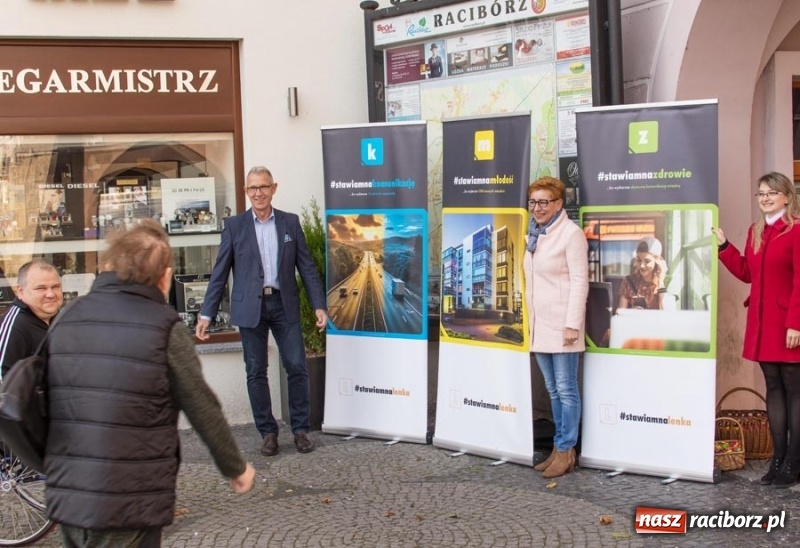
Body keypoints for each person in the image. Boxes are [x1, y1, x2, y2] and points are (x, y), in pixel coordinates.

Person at [44, 219, 255, 547]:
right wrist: (235, 467)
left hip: (70, 495)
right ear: (165, 276)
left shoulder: (69, 314)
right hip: (130, 500)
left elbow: (43, 394)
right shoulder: (164, 328)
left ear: (113, 265)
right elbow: (202, 406)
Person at [196, 166, 327, 457]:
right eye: (252, 188)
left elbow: (306, 266)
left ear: (273, 188)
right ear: (246, 192)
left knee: (296, 366)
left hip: (284, 303)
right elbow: (219, 274)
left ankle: (301, 430)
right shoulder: (235, 226)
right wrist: (206, 314)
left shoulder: (290, 224)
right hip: (249, 307)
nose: (258, 193)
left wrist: (319, 305)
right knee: (256, 371)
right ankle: (268, 433)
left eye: (263, 187)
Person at [712, 171, 800, 489]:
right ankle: (777, 459)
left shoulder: (797, 231)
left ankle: (794, 460)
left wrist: (796, 323)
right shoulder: (757, 231)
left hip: (789, 325)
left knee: (795, 393)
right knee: (773, 390)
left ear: (787, 197)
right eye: (761, 193)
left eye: (771, 193)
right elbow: (749, 272)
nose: (765, 198)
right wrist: (724, 246)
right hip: (763, 325)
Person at [523, 176, 589, 478]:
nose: (537, 208)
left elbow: (579, 282)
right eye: (533, 202)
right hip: (540, 325)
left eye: (543, 202)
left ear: (558, 204)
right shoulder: (535, 234)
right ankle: (560, 450)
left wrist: (572, 323)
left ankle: (565, 449)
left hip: (563, 326)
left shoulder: (571, 234)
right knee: (552, 390)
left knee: (566, 390)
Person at [0, 259, 63, 380]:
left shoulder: (62, 320)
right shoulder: (14, 326)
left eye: (55, 287)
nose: (50, 294)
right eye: (41, 288)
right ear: (20, 292)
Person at [617, 237, 667, 311]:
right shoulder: (628, 282)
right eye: (639, 260)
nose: (642, 265)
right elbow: (619, 313)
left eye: (647, 261)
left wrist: (660, 281)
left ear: (657, 261)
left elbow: (666, 314)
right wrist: (631, 311)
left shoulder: (664, 281)